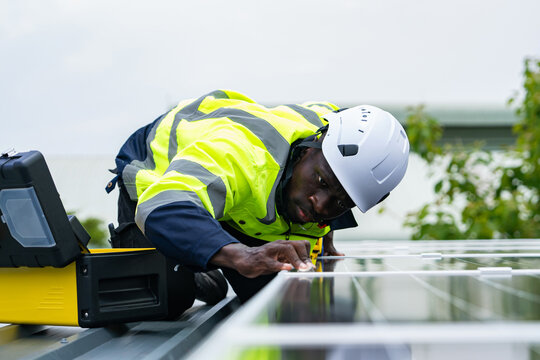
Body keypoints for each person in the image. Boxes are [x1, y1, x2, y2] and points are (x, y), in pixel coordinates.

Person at [106, 89, 409, 317]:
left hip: (243, 196)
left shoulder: (337, 130)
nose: (320, 205)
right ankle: (187, 260)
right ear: (309, 148)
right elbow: (162, 205)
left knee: (278, 303)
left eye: (341, 203)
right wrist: (242, 256)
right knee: (168, 300)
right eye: (321, 182)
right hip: (160, 175)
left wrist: (328, 231)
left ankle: (207, 256)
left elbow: (343, 162)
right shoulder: (239, 154)